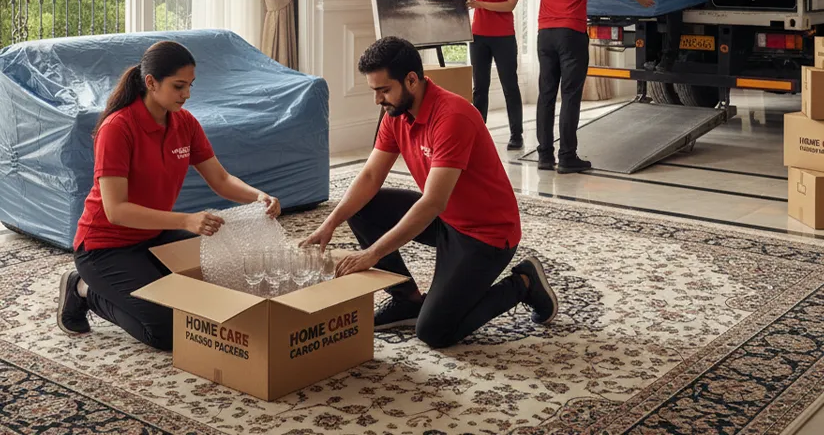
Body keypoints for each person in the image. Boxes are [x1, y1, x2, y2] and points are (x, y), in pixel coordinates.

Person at [301, 37, 558, 349]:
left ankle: (524, 283)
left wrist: (372, 254)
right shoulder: (395, 113)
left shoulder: (452, 117)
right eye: (374, 91)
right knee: (362, 207)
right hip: (446, 221)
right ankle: (407, 300)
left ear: (411, 79)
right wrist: (330, 223)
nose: (378, 100)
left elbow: (433, 201)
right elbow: (370, 176)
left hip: (486, 234)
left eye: (384, 90)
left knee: (435, 331)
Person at [57, 41, 282, 351]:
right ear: (151, 82)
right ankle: (84, 290)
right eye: (179, 86)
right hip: (106, 248)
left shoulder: (185, 123)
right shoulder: (118, 128)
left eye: (190, 85)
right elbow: (116, 210)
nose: (187, 94)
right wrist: (186, 220)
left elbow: (220, 178)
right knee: (170, 332)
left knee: (219, 292)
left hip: (153, 236)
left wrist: (259, 197)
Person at [536, 0, 654, 173]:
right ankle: (567, 157)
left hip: (545, 33)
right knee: (570, 96)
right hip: (571, 33)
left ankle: (545, 156)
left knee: (546, 96)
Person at [465, 0, 524, 150]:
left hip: (504, 37)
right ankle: (478, 133)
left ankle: (516, 135)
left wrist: (479, 4)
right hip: (478, 37)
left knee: (510, 87)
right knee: (480, 87)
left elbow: (509, 5)